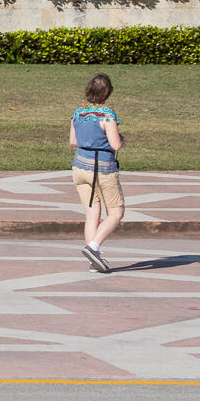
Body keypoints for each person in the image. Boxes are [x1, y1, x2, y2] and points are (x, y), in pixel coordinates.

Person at [69, 73, 126, 272]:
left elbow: (73, 142)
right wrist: (122, 139)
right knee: (116, 212)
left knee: (92, 214)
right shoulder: (107, 115)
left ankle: (94, 261)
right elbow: (115, 144)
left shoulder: (78, 113)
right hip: (102, 168)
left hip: (79, 166)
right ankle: (93, 247)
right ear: (108, 93)